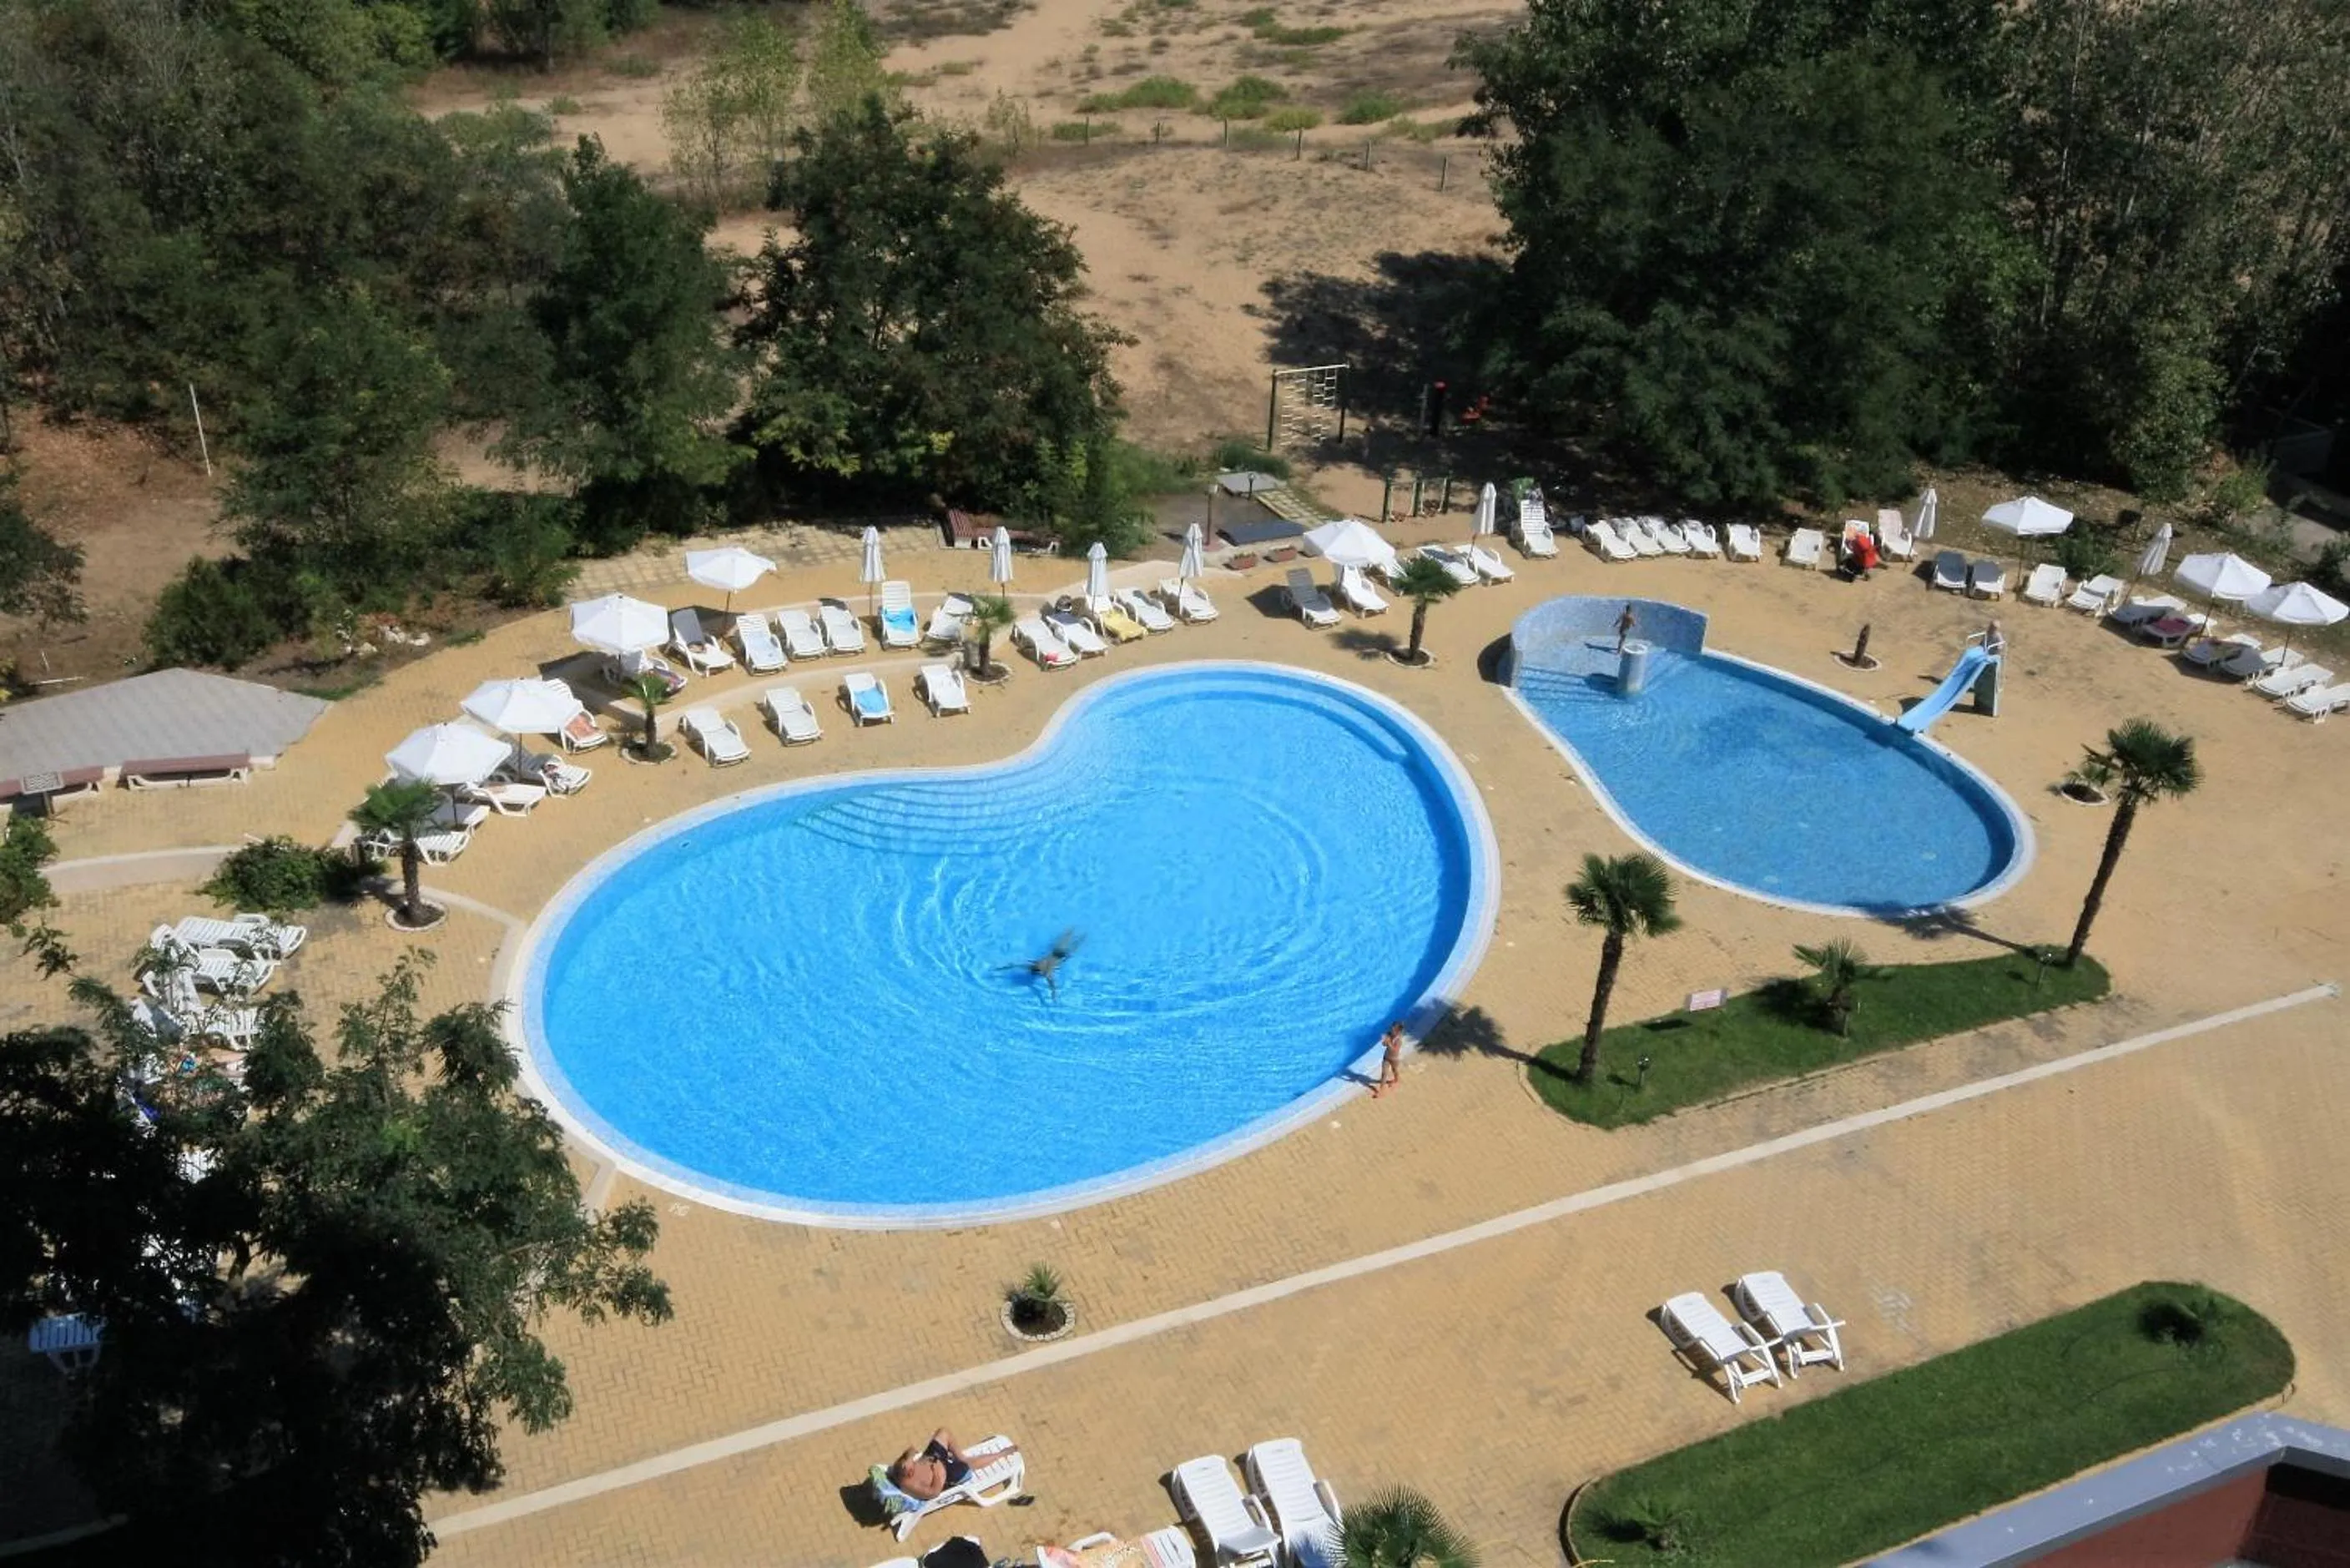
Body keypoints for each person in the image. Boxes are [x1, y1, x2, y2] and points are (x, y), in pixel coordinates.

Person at [889, 1429, 1017, 1502]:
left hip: (932, 1458)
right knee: (968, 1465)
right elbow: (934, 1492)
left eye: (909, 1467)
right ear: (905, 1477)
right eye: (910, 1471)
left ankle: (961, 1457)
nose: (911, 1469)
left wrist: (909, 1457)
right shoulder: (911, 1485)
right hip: (945, 1475)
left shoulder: (900, 1467)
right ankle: (1000, 1454)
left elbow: (911, 1450)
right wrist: (938, 1473)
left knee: (943, 1433)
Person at [1369, 1021, 1407, 1099]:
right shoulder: (1389, 1034)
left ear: (1398, 1032)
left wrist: (1389, 1042)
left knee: (1395, 1070)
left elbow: (1395, 1050)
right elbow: (1384, 1045)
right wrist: (1384, 1041)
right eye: (1391, 1029)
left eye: (1393, 1030)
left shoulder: (1398, 1040)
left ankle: (1397, 1080)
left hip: (1394, 1059)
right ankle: (1381, 1090)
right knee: (1384, 1073)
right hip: (1386, 1057)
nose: (1391, 1030)